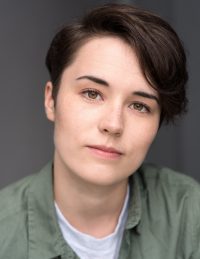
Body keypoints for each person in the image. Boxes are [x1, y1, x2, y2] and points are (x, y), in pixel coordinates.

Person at [0, 3, 199, 259]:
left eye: (139, 106)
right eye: (92, 93)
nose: (113, 125)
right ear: (51, 100)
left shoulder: (189, 213)